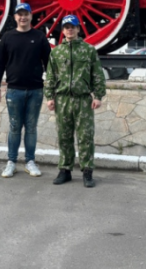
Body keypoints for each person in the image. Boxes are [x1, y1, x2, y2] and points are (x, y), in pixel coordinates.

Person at [44, 15, 106, 188]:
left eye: (73, 27)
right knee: (64, 136)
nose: (69, 30)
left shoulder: (89, 50)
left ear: (78, 29)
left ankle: (87, 171)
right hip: (62, 99)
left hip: (83, 99)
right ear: (63, 31)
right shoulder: (56, 52)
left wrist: (98, 96)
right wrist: (49, 97)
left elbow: (97, 74)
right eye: (66, 27)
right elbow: (50, 76)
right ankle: (65, 170)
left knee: (85, 137)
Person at [0, 3, 50, 178]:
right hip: (14, 89)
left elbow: (49, 64)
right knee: (15, 127)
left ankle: (30, 161)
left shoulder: (40, 37)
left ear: (31, 16)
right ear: (15, 17)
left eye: (26, 14)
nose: (23, 17)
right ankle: (11, 162)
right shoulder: (7, 37)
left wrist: (53, 89)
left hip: (35, 90)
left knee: (31, 127)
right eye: (19, 14)